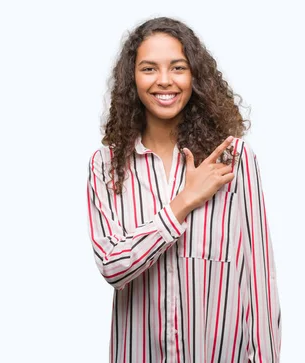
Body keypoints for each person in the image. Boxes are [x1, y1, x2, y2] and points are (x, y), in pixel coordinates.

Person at [86, 16, 281, 363]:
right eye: (149, 69)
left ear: (195, 77)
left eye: (178, 67)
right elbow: (113, 266)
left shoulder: (234, 159)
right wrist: (183, 202)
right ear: (132, 79)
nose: (164, 81)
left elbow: (259, 280)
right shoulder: (105, 165)